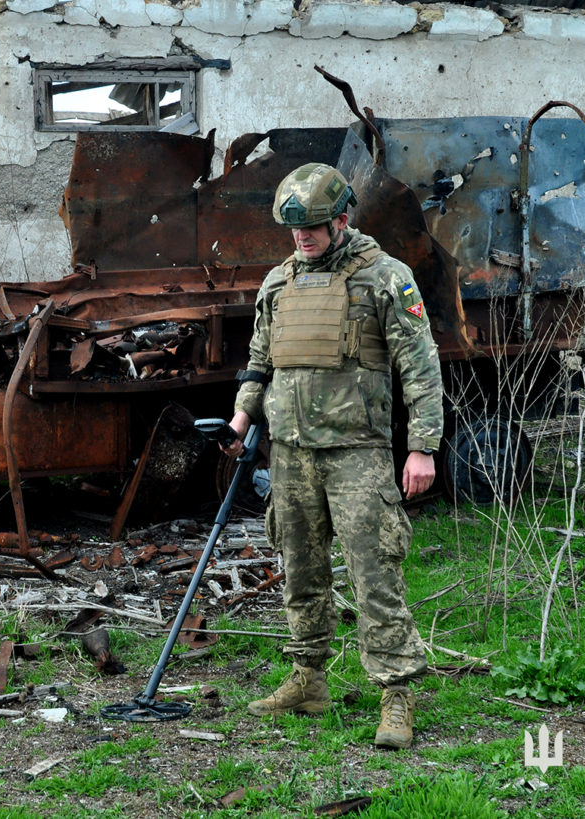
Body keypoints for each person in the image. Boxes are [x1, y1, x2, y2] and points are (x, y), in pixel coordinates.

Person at [224, 162, 443, 749]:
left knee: (375, 574)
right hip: (291, 451)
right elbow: (259, 357)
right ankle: (308, 678)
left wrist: (422, 447)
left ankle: (396, 693)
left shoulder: (383, 279)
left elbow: (420, 368)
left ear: (342, 219)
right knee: (300, 570)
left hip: (357, 453)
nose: (303, 237)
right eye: (295, 229)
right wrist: (245, 412)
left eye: (315, 227)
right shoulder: (278, 281)